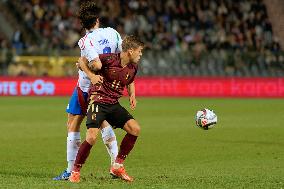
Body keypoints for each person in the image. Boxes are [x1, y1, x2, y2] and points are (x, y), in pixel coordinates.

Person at [53, 1, 122, 180]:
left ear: (82, 24)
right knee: (103, 122)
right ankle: (116, 164)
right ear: (97, 20)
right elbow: (120, 58)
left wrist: (84, 66)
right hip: (105, 86)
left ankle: (70, 171)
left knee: (73, 124)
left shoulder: (85, 40)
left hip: (86, 87)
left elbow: (96, 64)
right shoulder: (113, 33)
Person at [69, 35, 144, 183]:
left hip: (113, 104)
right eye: (139, 51)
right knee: (91, 137)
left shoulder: (133, 67)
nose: (141, 54)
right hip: (97, 101)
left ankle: (117, 165)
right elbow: (81, 61)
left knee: (135, 129)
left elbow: (131, 80)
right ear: (130, 51)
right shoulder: (107, 59)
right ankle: (75, 171)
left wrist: (132, 94)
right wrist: (91, 76)